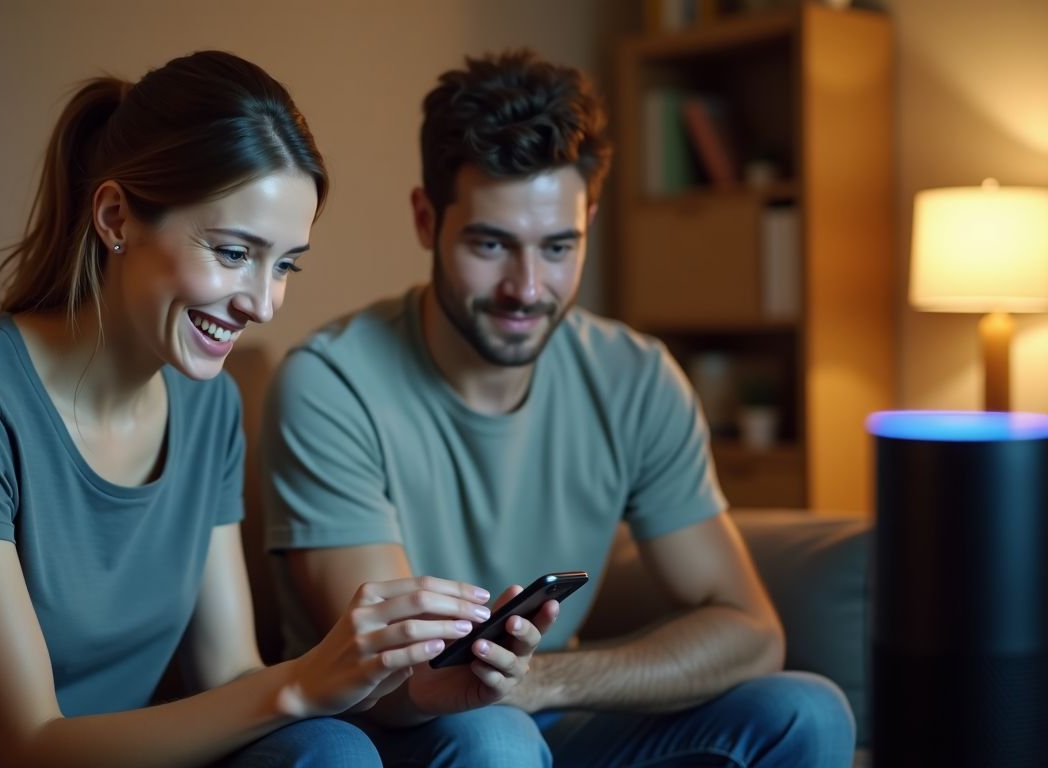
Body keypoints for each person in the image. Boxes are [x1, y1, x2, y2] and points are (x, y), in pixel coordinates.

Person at [0, 51, 538, 768]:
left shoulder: (208, 404)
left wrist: (409, 687)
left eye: (285, 264)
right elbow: (26, 744)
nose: (263, 302)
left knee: (396, 742)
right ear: (115, 217)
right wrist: (304, 680)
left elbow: (228, 676)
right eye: (233, 252)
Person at [261, 49, 857, 766]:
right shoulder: (332, 383)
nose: (528, 286)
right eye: (491, 244)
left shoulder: (633, 377)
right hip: (385, 730)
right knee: (492, 736)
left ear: (589, 223)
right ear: (427, 220)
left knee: (806, 712)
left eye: (558, 246)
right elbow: (388, 673)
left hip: (537, 712)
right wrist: (513, 698)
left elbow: (749, 628)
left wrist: (545, 680)